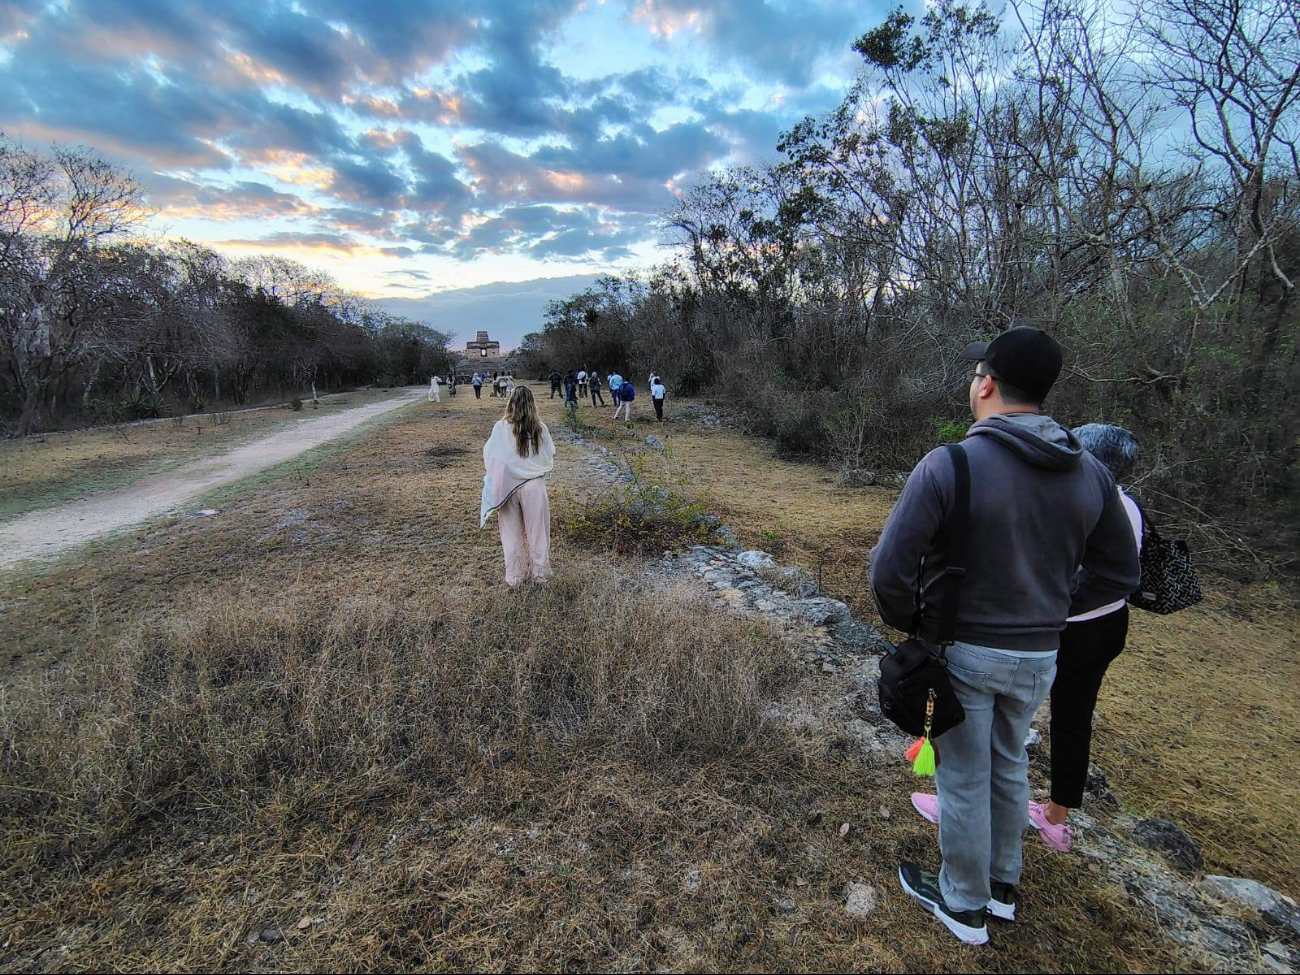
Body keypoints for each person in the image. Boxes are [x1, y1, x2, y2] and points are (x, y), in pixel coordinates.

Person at [869, 326, 1140, 946]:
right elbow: (1120, 574)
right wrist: (1056, 610)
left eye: (976, 375)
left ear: (987, 385)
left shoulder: (951, 465)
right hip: (1040, 656)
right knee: (1010, 760)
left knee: (964, 776)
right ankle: (1001, 885)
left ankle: (963, 903)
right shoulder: (1091, 474)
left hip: (965, 652)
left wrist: (917, 624)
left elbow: (888, 572)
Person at [480, 385, 554, 587]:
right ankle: (540, 575)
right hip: (534, 486)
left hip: (508, 486)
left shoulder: (501, 427)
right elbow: (549, 454)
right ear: (532, 403)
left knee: (510, 533)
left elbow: (491, 457)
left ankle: (515, 577)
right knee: (538, 532)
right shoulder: (540, 428)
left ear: (511, 402)